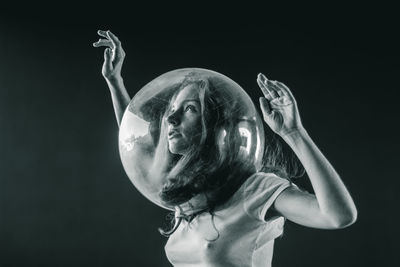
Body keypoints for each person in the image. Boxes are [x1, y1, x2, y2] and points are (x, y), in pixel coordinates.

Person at [93, 30, 357, 267]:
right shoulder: (191, 193)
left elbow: (338, 216)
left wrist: (293, 132)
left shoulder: (256, 190)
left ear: (215, 125)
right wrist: (115, 82)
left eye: (189, 109)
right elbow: (135, 147)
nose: (171, 120)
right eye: (171, 112)